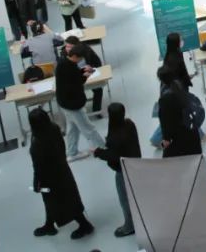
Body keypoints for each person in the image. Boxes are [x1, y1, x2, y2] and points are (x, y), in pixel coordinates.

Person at [28, 107, 95, 239]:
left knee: (60, 200)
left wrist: (36, 183)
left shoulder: (37, 143)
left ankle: (85, 225)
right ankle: (49, 224)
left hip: (49, 179)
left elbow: (38, 167)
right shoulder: (54, 128)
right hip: (62, 170)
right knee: (60, 198)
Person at [91, 102, 140, 237]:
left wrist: (98, 152)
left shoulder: (115, 136)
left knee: (125, 199)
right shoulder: (129, 124)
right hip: (136, 164)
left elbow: (113, 156)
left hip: (123, 170)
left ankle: (129, 226)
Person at [55, 42, 105, 159]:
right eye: (81, 58)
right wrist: (86, 75)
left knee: (72, 129)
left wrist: (82, 71)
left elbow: (73, 77)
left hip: (64, 102)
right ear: (75, 56)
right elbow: (77, 82)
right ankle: (103, 148)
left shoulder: (64, 63)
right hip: (72, 104)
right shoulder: (69, 67)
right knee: (88, 128)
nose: (81, 61)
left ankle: (72, 153)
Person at [156, 66, 202, 157]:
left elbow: (166, 126)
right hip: (193, 137)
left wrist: (164, 142)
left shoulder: (165, 100)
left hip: (179, 141)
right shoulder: (181, 88)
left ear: (161, 80)